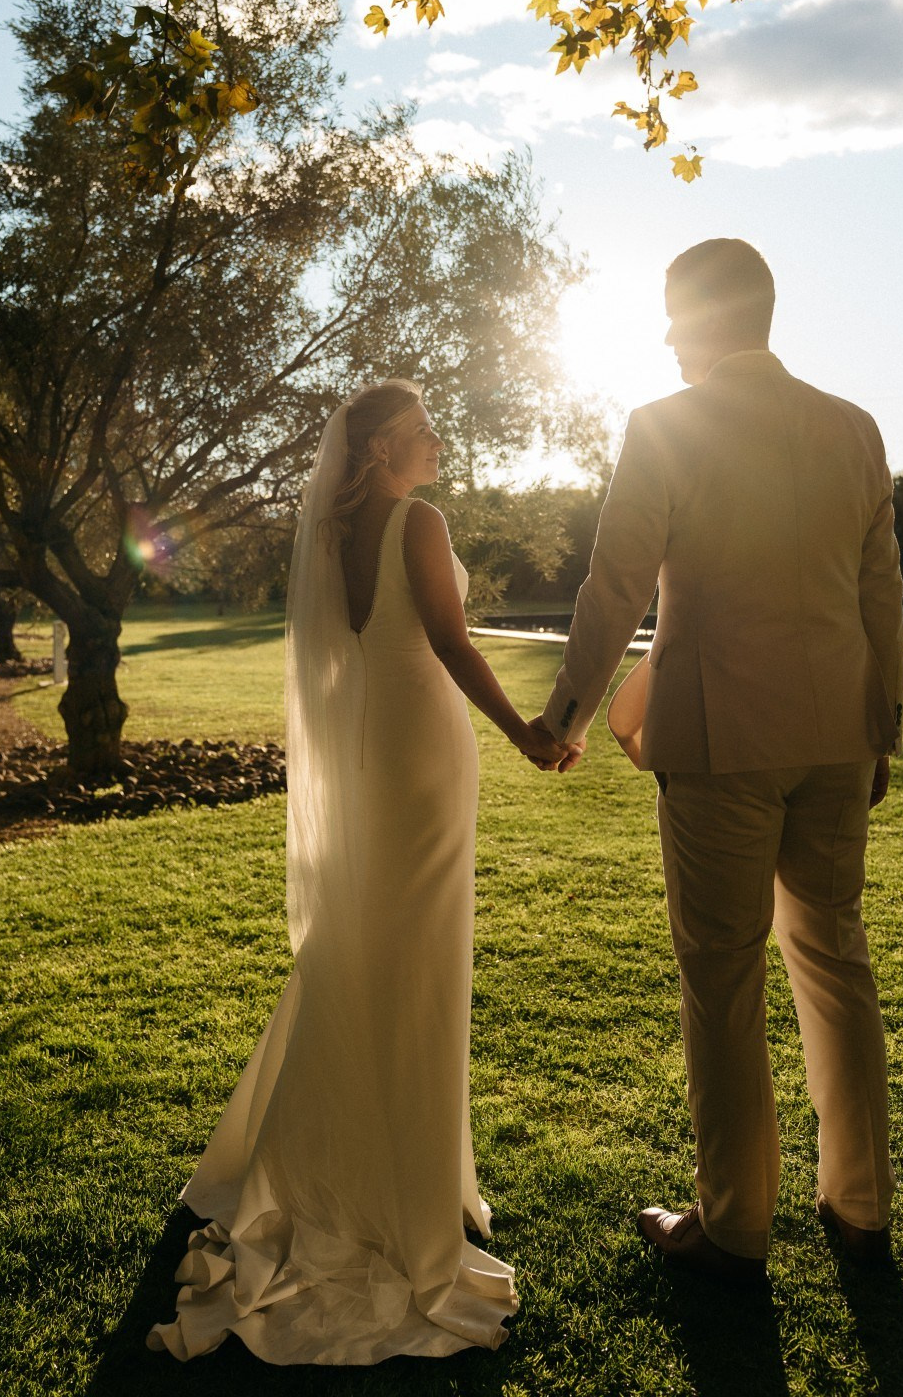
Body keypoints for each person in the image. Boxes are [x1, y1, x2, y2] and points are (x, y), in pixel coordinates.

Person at [149, 379, 569, 1364]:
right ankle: (397, 1190)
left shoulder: (335, 537)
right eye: (422, 431)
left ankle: (363, 1160)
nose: (436, 443)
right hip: (422, 761)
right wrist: (523, 732)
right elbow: (448, 640)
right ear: (381, 448)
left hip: (377, 763)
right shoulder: (415, 520)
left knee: (366, 957)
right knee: (414, 967)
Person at [532, 239, 903, 1282]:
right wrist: (880, 724)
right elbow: (880, 594)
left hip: (718, 741)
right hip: (835, 735)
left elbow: (614, 587)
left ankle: (734, 1224)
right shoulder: (853, 427)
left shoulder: (663, 427)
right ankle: (860, 1209)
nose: (659, 333)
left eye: (668, 312)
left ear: (702, 320)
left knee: (722, 979)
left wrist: (563, 718)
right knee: (836, 963)